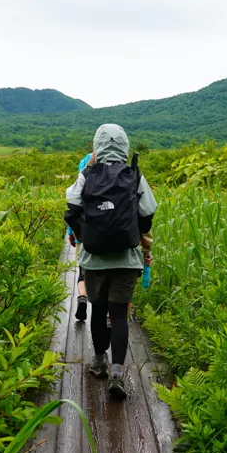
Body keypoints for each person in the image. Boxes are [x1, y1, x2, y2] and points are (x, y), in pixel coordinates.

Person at [64, 124, 156, 400]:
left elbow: (72, 202)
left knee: (97, 310)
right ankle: (117, 373)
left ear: (98, 146)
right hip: (126, 260)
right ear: (125, 146)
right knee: (118, 317)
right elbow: (148, 210)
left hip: (93, 260)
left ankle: (99, 361)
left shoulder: (88, 174)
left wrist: (87, 168)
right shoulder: (133, 175)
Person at [66, 149, 92, 322]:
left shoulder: (81, 183)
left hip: (82, 235)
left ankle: (82, 297)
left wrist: (71, 234)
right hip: (107, 236)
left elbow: (72, 212)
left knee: (82, 271)